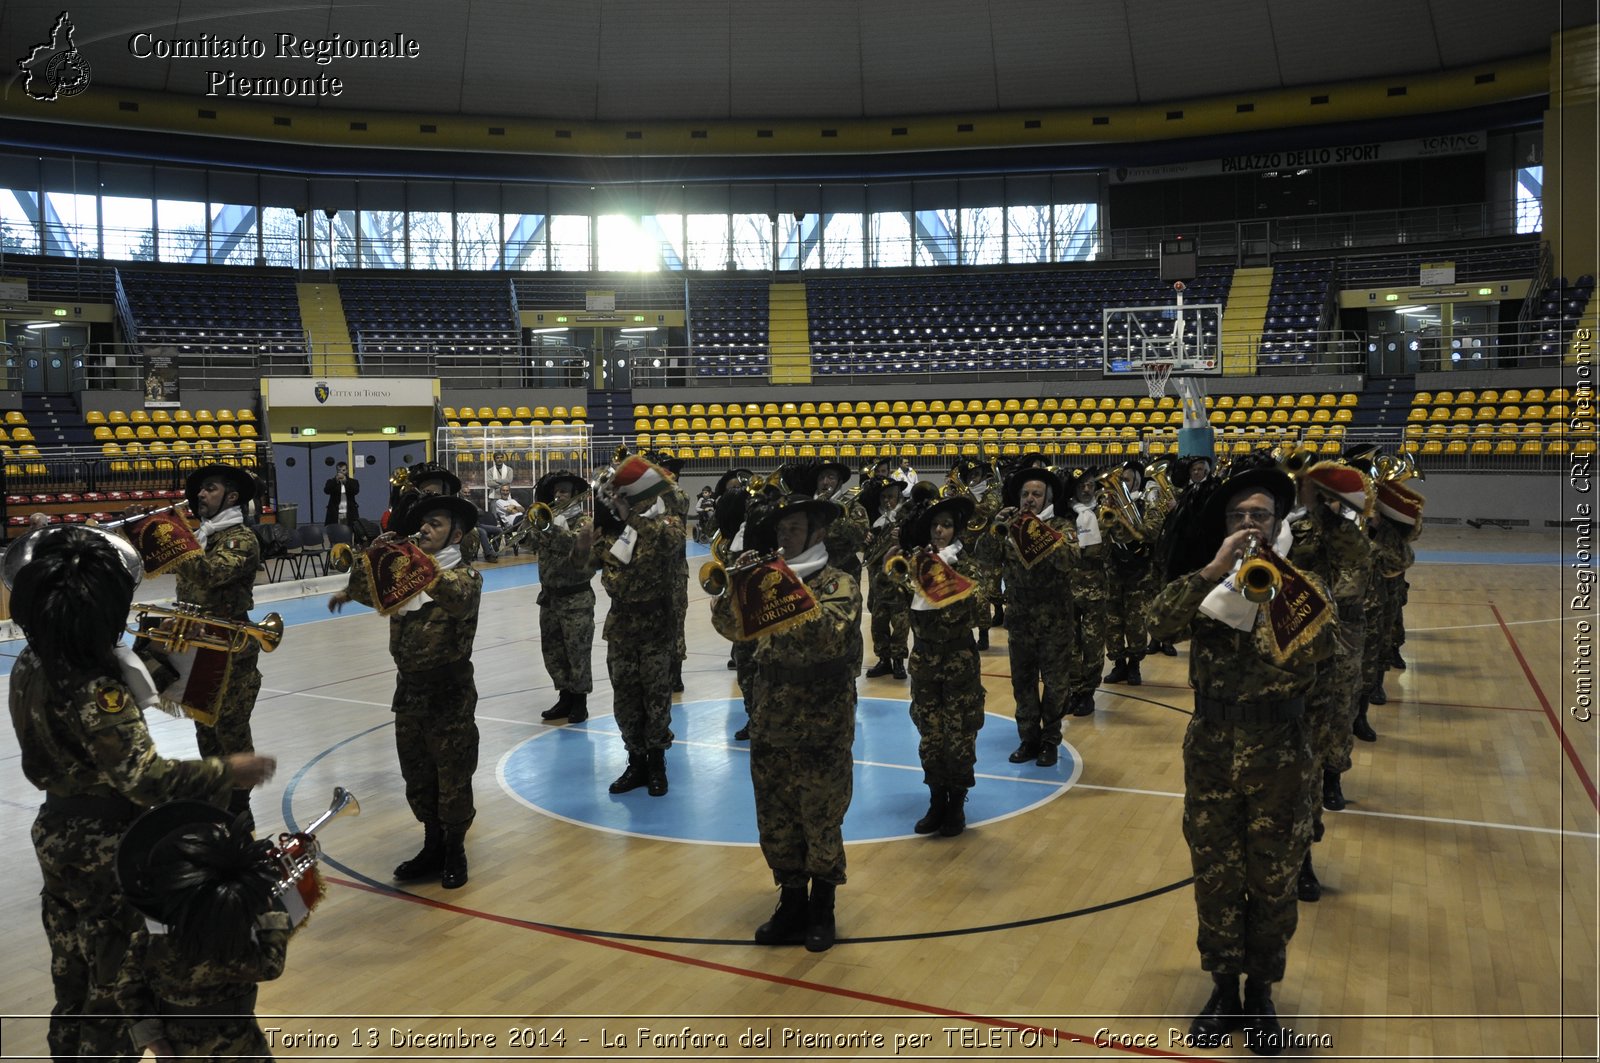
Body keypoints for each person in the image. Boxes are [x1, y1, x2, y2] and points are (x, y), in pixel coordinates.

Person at [7, 526, 275, 1062]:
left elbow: (79, 738)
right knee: (115, 991)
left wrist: (153, 669)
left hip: (58, 834)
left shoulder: (32, 663)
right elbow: (144, 778)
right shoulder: (97, 689)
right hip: (106, 845)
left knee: (73, 982)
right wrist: (227, 770)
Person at [1147, 463, 1338, 1053]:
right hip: (1211, 751)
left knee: (1274, 881)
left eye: (1260, 515)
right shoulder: (1208, 588)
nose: (1250, 524)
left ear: (1279, 523)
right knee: (1217, 877)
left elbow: (1319, 659)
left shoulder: (1304, 590)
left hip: (1280, 757)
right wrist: (1211, 572)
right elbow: (1151, 624)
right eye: (1238, 517)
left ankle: (1261, 994)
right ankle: (1222, 988)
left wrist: (1272, 589)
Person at [710, 491, 861, 952]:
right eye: (780, 530)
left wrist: (779, 584)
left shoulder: (839, 583)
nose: (783, 536)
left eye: (793, 529)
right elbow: (728, 626)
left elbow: (826, 638)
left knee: (820, 814)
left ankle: (823, 905)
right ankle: (791, 899)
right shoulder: (770, 579)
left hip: (822, 719)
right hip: (772, 714)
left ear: (817, 532)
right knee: (775, 815)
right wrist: (738, 587)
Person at [329, 491, 483, 889]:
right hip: (409, 691)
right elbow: (366, 592)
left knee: (453, 776)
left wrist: (413, 560)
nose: (426, 529)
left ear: (456, 535)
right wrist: (373, 557)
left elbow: (457, 599)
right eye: (424, 523)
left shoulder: (464, 576)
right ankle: (431, 844)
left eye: (437, 524)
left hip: (449, 693)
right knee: (417, 775)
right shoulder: (409, 574)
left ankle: (454, 850)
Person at [119, 802, 294, 1061]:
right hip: (240, 1046)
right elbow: (270, 966)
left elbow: (127, 990)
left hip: (179, 1050)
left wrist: (155, 1041)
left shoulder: (146, 943)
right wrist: (271, 912)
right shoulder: (228, 940)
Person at [1286, 460, 1374, 902]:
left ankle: (1333, 776)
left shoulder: (1350, 535)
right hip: (1295, 647)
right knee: (1296, 754)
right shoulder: (1292, 533)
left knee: (1334, 722)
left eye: (1305, 487)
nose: (1299, 492)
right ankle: (1300, 858)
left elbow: (1351, 587)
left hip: (1338, 643)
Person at [165, 463, 267, 831]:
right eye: (200, 490)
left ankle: (240, 809)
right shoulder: (203, 535)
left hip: (231, 649)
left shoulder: (240, 539)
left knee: (231, 730)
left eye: (209, 489)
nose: (200, 496)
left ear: (232, 496)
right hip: (196, 644)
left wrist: (174, 538)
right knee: (204, 729)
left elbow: (209, 573)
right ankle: (217, 799)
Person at [574, 455, 683, 797]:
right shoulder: (613, 535)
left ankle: (656, 763)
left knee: (656, 698)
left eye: (628, 496)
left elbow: (671, 544)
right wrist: (579, 549)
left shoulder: (666, 524)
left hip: (655, 628)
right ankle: (635, 761)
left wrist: (631, 516)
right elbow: (585, 568)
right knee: (625, 699)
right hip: (621, 627)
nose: (618, 501)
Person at [891, 492, 986, 837]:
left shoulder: (968, 567)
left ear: (956, 530)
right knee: (930, 735)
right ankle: (936, 800)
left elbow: (977, 612)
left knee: (959, 736)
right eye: (935, 525)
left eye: (946, 526)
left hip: (959, 661)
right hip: (925, 663)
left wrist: (940, 574)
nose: (939, 531)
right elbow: (899, 601)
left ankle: (957, 803)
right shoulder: (917, 565)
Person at [973, 466, 1078, 767]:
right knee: (1023, 683)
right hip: (1019, 619)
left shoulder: (1062, 526)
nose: (1030, 499)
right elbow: (985, 558)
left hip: (1055, 620)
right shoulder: (1010, 526)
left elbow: (1069, 559)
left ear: (1048, 498)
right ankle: (1029, 738)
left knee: (1057, 685)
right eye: (1025, 494)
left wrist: (1037, 531)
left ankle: (1050, 741)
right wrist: (996, 529)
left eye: (1036, 494)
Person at [530, 471, 599, 724]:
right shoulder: (548, 519)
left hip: (575, 599)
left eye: (564, 492)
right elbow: (529, 543)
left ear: (574, 495)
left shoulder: (584, 522)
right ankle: (564, 696)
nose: (559, 495)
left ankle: (580, 702)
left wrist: (548, 528)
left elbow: (575, 544)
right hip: (549, 598)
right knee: (553, 652)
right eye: (556, 492)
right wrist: (534, 526)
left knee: (577, 652)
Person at [1065, 469, 1108, 717]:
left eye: (1090, 485)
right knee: (1071, 643)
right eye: (1081, 485)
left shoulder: (1103, 512)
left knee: (1092, 643)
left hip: (1095, 588)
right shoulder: (1066, 513)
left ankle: (1088, 692)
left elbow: (1108, 547)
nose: (1086, 489)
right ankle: (1075, 689)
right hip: (1069, 587)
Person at [861, 475, 912, 679]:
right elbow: (863, 547)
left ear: (899, 495)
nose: (887, 501)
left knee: (900, 621)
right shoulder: (872, 517)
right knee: (878, 621)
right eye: (883, 497)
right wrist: (867, 539)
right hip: (877, 577)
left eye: (891, 496)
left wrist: (902, 538)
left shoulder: (905, 516)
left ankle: (898, 661)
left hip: (898, 577)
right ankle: (883, 659)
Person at [322, 460, 360, 527]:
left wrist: (346, 481)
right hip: (335, 511)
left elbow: (355, 491)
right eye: (339, 470)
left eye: (343, 470)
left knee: (350, 529)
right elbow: (326, 490)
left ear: (347, 471)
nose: (341, 472)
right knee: (335, 530)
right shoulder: (331, 481)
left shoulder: (353, 482)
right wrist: (335, 481)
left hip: (349, 511)